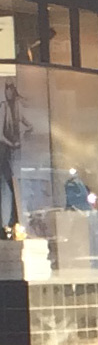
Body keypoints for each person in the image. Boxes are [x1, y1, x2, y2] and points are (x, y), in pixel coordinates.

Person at [0, 79, 31, 235]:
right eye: (7, 89)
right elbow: (0, 135)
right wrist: (12, 144)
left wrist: (23, 136)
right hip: (4, 152)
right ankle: (6, 223)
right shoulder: (3, 107)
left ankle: (12, 222)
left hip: (14, 152)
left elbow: (29, 125)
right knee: (7, 186)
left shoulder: (16, 108)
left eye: (11, 89)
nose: (9, 92)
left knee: (14, 186)